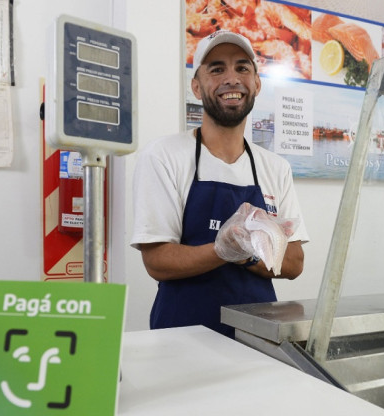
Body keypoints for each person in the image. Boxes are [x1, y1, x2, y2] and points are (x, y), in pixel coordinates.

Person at [130, 30, 309, 338]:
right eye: (216, 69)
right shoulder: (164, 155)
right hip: (181, 337)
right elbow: (157, 260)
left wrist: (246, 254)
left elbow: (293, 263)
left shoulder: (275, 168)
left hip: (259, 339)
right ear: (196, 87)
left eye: (242, 68)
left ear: (256, 84)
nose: (232, 78)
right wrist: (222, 249)